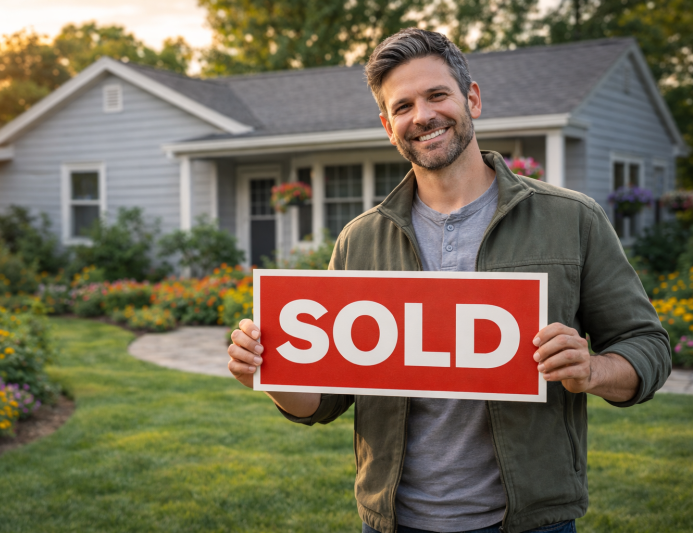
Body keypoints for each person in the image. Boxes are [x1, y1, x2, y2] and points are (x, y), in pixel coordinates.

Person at [226, 29, 671, 533]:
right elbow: (328, 398)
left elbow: (648, 347)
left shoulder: (572, 220)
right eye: (403, 106)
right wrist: (272, 377)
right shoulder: (361, 240)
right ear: (387, 125)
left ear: (472, 99)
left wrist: (592, 369)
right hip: (395, 521)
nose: (423, 116)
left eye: (437, 95)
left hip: (531, 522)